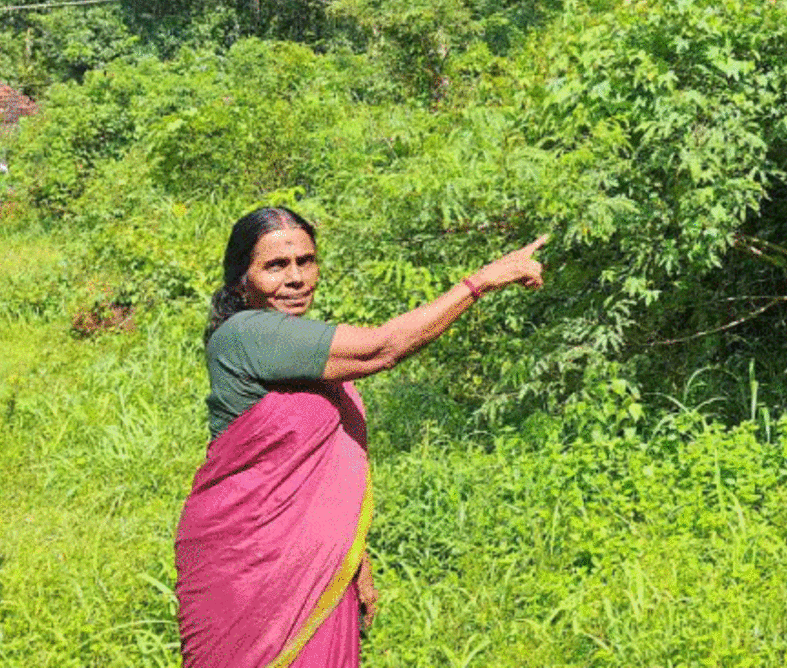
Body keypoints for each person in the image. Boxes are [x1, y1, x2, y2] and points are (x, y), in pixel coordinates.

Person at [175, 206, 546, 668]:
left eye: (305, 262)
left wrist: (356, 558)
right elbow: (381, 348)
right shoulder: (248, 333)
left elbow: (320, 472)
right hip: (250, 567)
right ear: (240, 280)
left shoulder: (300, 344)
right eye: (275, 265)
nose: (295, 278)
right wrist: (482, 281)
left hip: (314, 566)